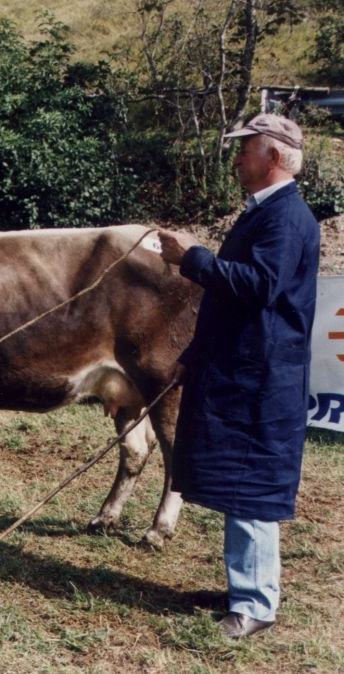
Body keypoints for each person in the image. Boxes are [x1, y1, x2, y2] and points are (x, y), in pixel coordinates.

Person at [158, 113, 320, 639]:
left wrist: (193, 258)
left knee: (252, 489)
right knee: (240, 483)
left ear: (273, 157)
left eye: (245, 148)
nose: (236, 157)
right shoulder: (266, 213)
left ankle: (256, 604)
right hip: (244, 369)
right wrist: (195, 353)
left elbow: (259, 287)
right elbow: (233, 307)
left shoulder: (286, 218)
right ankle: (245, 589)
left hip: (262, 379)